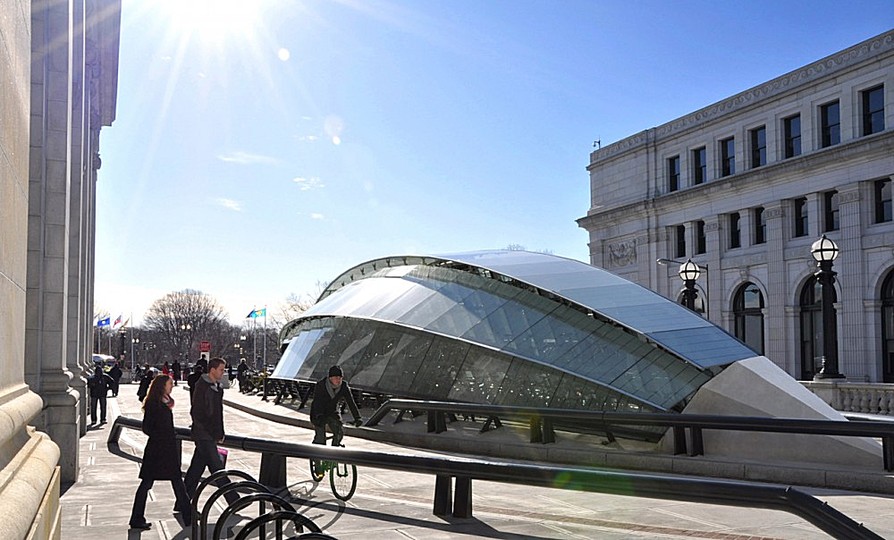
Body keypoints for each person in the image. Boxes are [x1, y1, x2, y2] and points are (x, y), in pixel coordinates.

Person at [129, 374, 192, 530]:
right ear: (162, 386)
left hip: (166, 450)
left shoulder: (165, 402)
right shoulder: (153, 404)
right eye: (170, 384)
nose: (172, 386)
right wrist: (163, 435)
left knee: (177, 483)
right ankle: (137, 517)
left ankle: (189, 516)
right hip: (158, 451)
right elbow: (147, 428)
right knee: (148, 484)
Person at [183, 357, 237, 504]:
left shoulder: (217, 388)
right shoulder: (202, 386)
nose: (223, 372)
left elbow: (218, 413)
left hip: (210, 434)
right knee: (217, 468)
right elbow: (197, 412)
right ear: (212, 370)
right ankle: (234, 499)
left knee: (196, 470)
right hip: (203, 434)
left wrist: (220, 432)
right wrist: (208, 431)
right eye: (221, 369)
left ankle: (182, 501)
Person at [310, 365, 363, 447]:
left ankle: (333, 455)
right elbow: (317, 402)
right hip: (318, 412)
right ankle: (315, 455)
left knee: (339, 433)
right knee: (320, 439)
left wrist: (357, 418)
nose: (338, 380)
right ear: (330, 378)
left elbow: (351, 402)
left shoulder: (344, 386)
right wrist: (319, 415)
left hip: (332, 412)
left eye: (340, 377)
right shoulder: (321, 385)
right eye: (336, 377)